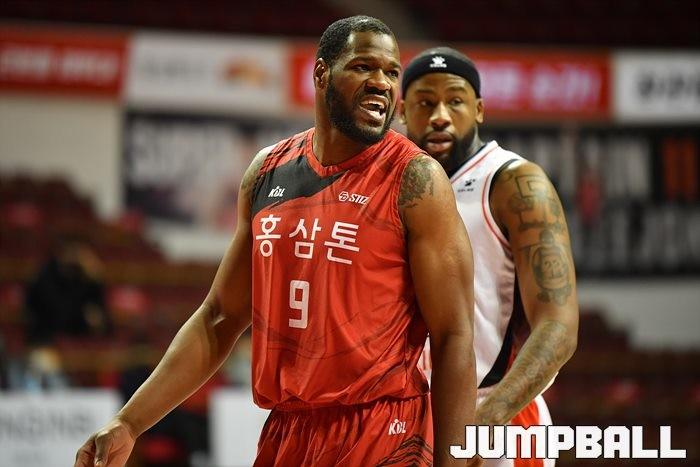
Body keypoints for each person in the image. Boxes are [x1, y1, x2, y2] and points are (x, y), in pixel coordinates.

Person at [75, 18, 477, 467]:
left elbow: (454, 335)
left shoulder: (416, 179)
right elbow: (220, 318)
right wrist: (129, 422)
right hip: (287, 432)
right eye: (364, 67)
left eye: (391, 72)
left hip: (382, 430)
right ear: (321, 74)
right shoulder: (267, 172)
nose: (382, 83)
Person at [401, 47, 579, 466]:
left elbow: (558, 326)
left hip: (496, 414)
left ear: (479, 110)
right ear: (402, 112)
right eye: (425, 103)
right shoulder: (391, 185)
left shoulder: (514, 182)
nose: (440, 115)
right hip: (408, 419)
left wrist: (491, 418)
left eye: (455, 101)